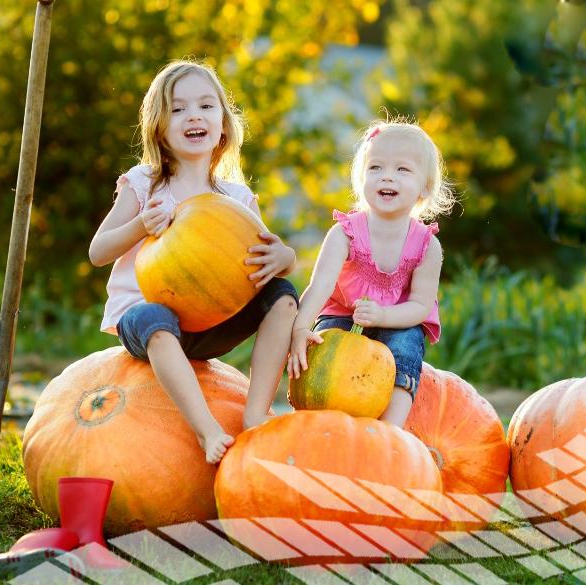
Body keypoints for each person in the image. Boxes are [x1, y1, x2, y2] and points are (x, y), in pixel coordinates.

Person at [89, 60, 297, 464]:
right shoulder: (144, 183)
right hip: (149, 322)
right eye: (178, 108)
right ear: (159, 128)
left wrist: (284, 258)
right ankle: (207, 431)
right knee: (154, 317)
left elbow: (265, 256)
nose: (194, 116)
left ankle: (257, 411)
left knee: (282, 295)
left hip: (210, 321)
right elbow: (98, 252)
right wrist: (138, 227)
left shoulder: (235, 198)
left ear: (223, 123)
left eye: (206, 106)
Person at [287, 120, 454, 426]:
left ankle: (390, 429)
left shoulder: (428, 247)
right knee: (324, 347)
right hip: (343, 316)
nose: (386, 176)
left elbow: (419, 307)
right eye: (376, 167)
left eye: (402, 170)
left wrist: (382, 318)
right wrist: (299, 330)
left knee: (406, 345)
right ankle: (314, 418)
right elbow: (319, 287)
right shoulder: (345, 234)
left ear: (425, 187)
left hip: (398, 319)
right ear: (361, 177)